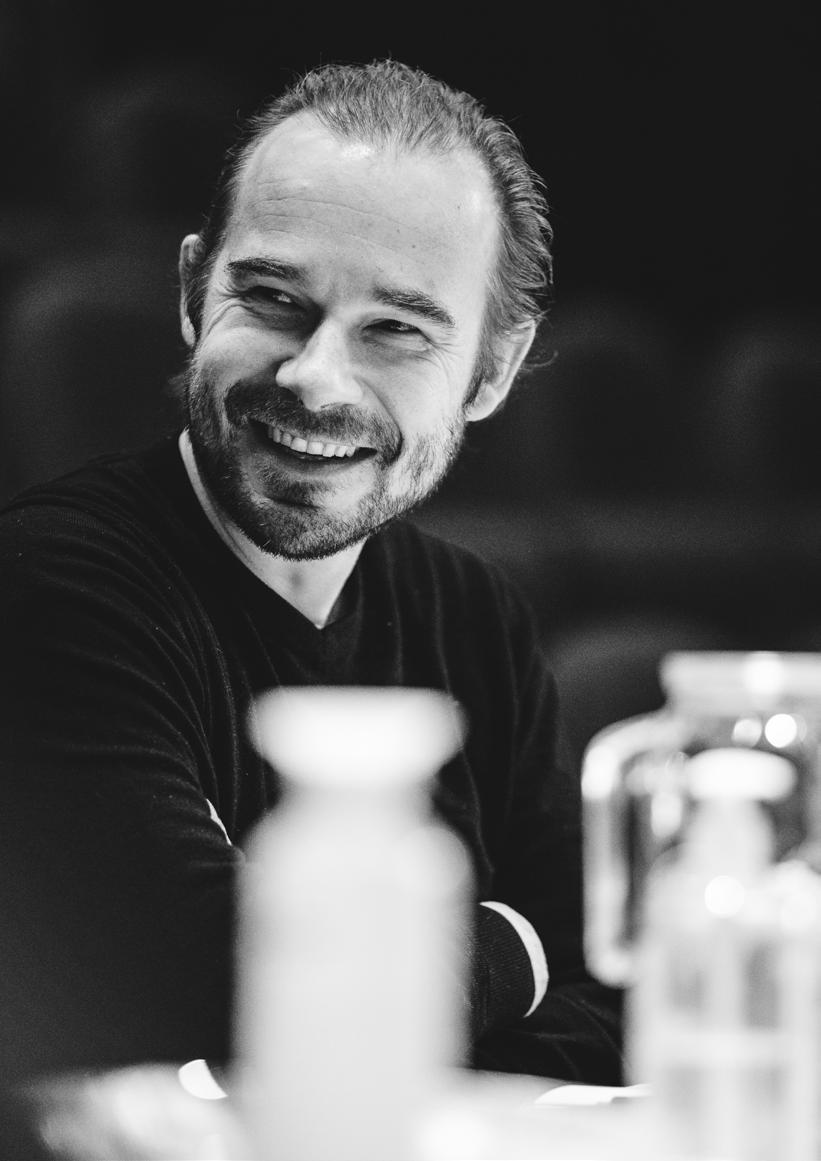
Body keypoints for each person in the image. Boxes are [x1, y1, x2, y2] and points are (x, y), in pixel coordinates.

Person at [0, 58, 623, 1087]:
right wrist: (512, 941)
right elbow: (226, 991)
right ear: (194, 292)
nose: (316, 377)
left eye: (396, 330)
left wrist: (413, 1002)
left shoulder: (474, 613)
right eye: (273, 299)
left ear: (493, 370)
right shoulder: (52, 584)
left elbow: (609, 988)